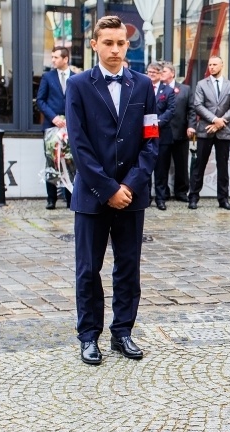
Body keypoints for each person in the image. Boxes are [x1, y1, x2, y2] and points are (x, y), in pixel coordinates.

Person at [65, 15, 158, 366]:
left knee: (128, 267)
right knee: (88, 269)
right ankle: (89, 335)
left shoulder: (143, 86)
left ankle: (123, 332)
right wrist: (107, 189)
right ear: (95, 45)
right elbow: (79, 144)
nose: (116, 49)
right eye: (108, 43)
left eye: (121, 43)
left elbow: (151, 142)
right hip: (92, 195)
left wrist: (129, 186)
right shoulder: (78, 86)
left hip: (131, 197)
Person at [189, 55, 230, 210]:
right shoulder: (201, 84)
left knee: (223, 167)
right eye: (210, 64)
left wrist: (220, 122)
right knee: (199, 165)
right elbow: (198, 105)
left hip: (223, 131)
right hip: (205, 130)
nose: (211, 67)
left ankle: (223, 199)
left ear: (221, 65)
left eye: (214, 64)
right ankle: (193, 198)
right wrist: (215, 119)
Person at [36, 46, 73, 209]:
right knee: (52, 161)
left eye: (56, 57)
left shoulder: (76, 77)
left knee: (71, 161)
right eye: (52, 57)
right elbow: (40, 100)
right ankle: (51, 199)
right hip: (52, 127)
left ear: (65, 59)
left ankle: (71, 198)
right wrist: (54, 117)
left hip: (71, 127)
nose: (53, 60)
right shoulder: (47, 77)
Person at [160, 60, 194, 202]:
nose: (161, 74)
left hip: (181, 132)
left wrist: (191, 126)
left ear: (172, 73)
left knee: (181, 165)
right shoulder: (158, 89)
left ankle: (181, 192)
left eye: (164, 71)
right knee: (162, 165)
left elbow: (191, 110)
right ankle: (163, 192)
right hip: (162, 133)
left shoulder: (185, 89)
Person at [147, 61, 176, 210]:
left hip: (162, 134)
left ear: (160, 74)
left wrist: (158, 122)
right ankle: (145, 198)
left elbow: (171, 110)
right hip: (144, 135)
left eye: (154, 72)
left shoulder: (168, 91)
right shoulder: (143, 87)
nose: (151, 75)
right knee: (144, 166)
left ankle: (160, 198)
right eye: (149, 72)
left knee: (161, 169)